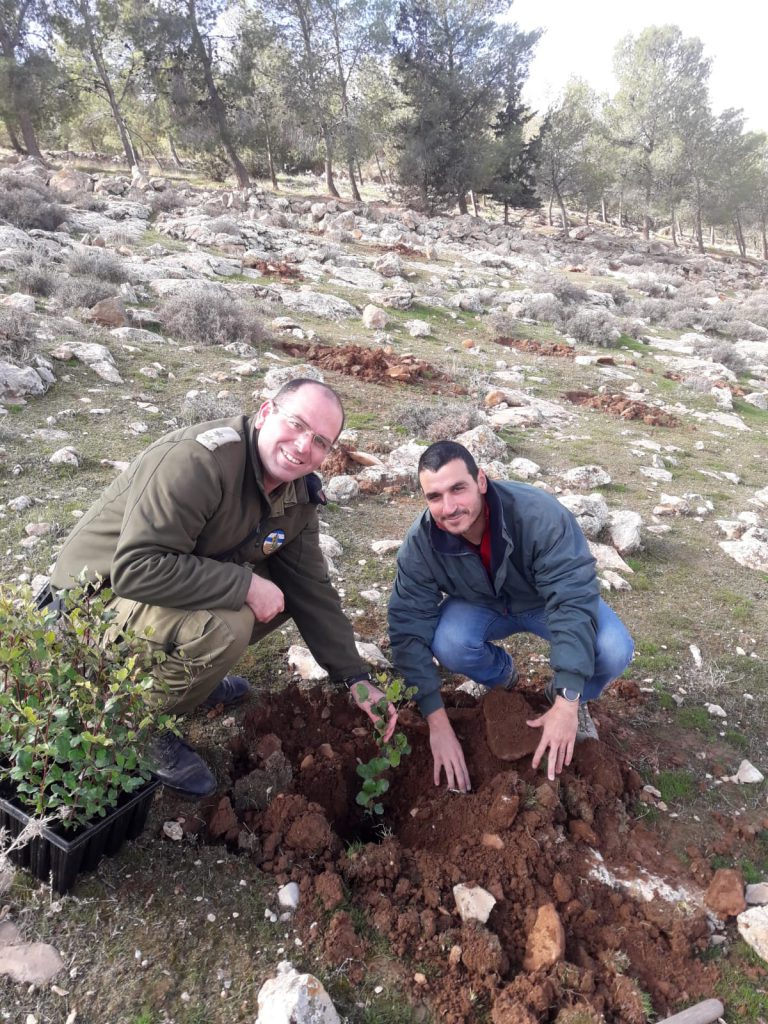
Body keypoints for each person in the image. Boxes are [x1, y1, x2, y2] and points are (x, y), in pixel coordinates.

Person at [51, 378, 394, 797]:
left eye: (320, 440)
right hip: (90, 607)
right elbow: (137, 568)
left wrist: (355, 677)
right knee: (229, 621)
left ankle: (192, 679)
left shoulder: (297, 494)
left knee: (286, 596)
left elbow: (312, 588)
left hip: (148, 600)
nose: (304, 446)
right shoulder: (198, 461)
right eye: (297, 424)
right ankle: (132, 725)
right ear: (265, 413)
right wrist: (244, 583)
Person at [387, 441, 633, 791]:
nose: (449, 507)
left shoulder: (539, 516)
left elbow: (570, 602)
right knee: (449, 642)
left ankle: (559, 697)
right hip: (482, 604)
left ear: (481, 481)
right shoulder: (421, 543)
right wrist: (436, 720)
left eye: (458, 488)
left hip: (543, 601)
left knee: (611, 648)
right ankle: (505, 682)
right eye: (435, 496)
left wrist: (567, 699)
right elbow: (407, 627)